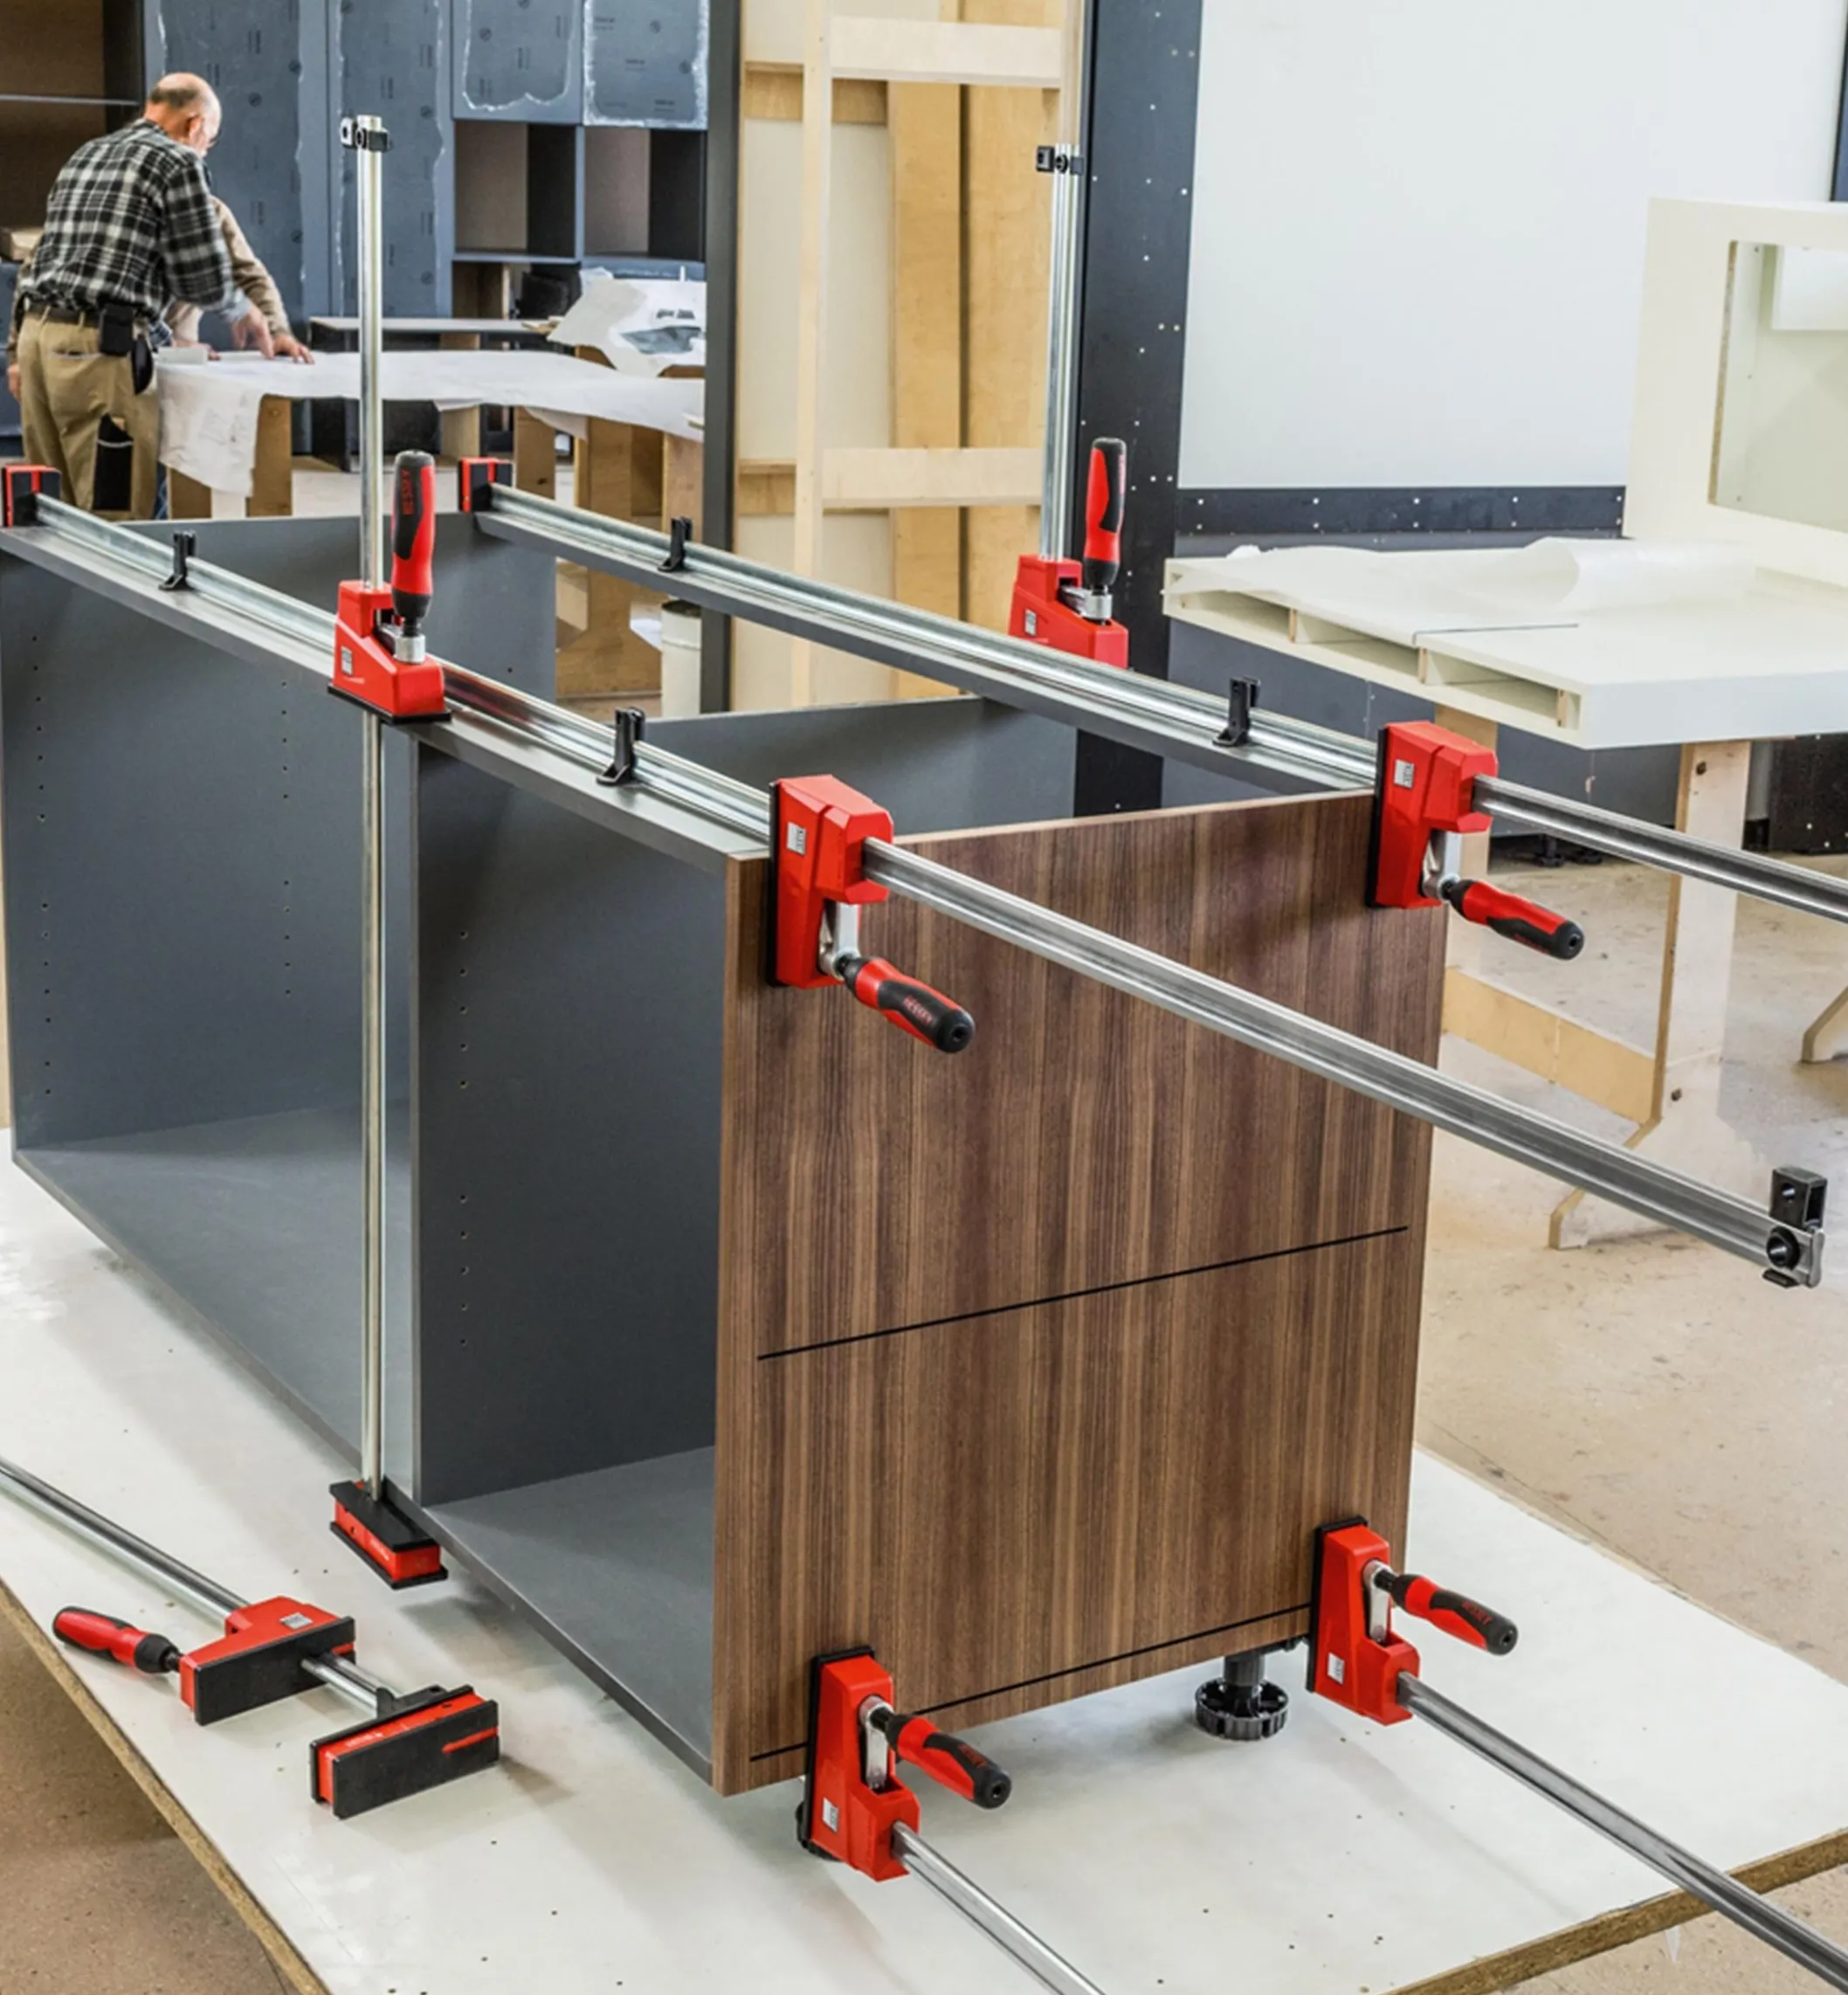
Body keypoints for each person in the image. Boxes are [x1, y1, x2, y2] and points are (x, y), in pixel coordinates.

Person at [7, 74, 239, 519]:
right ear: (194, 124)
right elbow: (203, 280)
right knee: (118, 514)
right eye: (209, 138)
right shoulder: (179, 162)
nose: (206, 150)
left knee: (50, 513)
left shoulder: (87, 154)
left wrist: (15, 352)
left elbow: (39, 258)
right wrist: (243, 313)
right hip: (100, 355)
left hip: (37, 346)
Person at [166, 198, 314, 362]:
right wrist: (169, 344)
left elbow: (251, 278)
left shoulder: (210, 210)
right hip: (152, 355)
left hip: (182, 362)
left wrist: (277, 333)